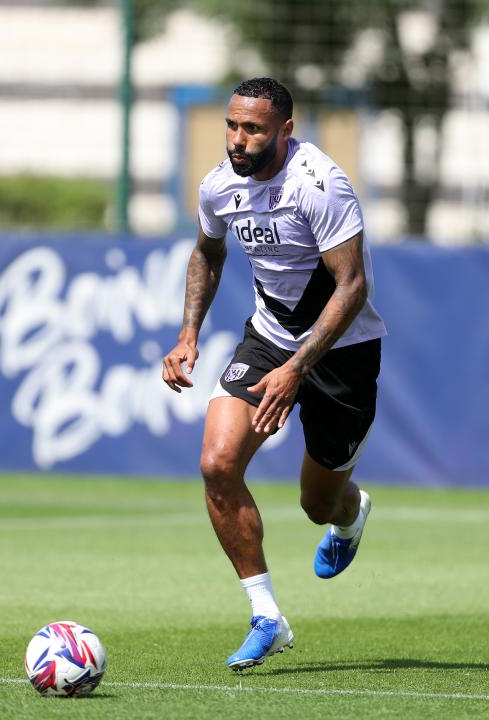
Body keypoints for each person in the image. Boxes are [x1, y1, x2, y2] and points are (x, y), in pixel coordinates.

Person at [161, 77, 386, 671]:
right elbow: (208, 253)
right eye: (232, 126)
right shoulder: (217, 186)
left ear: (285, 129)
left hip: (341, 354)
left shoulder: (321, 185)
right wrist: (189, 335)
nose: (238, 140)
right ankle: (266, 616)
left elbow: (353, 287)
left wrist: (297, 369)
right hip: (268, 340)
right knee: (217, 462)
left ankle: (350, 512)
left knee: (319, 504)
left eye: (253, 129)